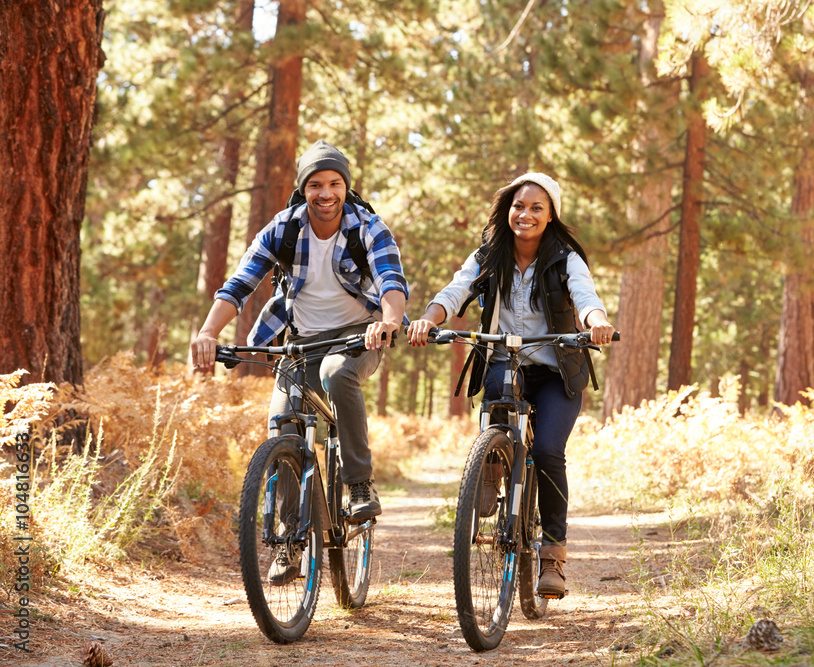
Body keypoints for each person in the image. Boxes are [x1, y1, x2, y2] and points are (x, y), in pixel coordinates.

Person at [191, 140, 407, 551]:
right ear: (303, 188)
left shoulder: (368, 227)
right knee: (284, 425)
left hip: (360, 336)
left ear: (345, 187)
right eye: (315, 185)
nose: (325, 193)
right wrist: (207, 332)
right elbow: (239, 285)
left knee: (335, 372)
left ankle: (359, 484)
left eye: (334, 183)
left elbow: (391, 281)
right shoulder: (284, 227)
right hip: (301, 342)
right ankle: (291, 540)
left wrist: (389, 322)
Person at [407, 172, 614, 599]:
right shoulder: (489, 254)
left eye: (537, 208)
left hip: (556, 369)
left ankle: (552, 556)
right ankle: (492, 464)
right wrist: (429, 318)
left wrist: (597, 323)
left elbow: (586, 297)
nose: (526, 214)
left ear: (551, 215)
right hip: (505, 360)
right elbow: (455, 289)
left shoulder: (565, 259)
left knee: (548, 451)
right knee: (499, 396)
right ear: (508, 210)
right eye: (520, 206)